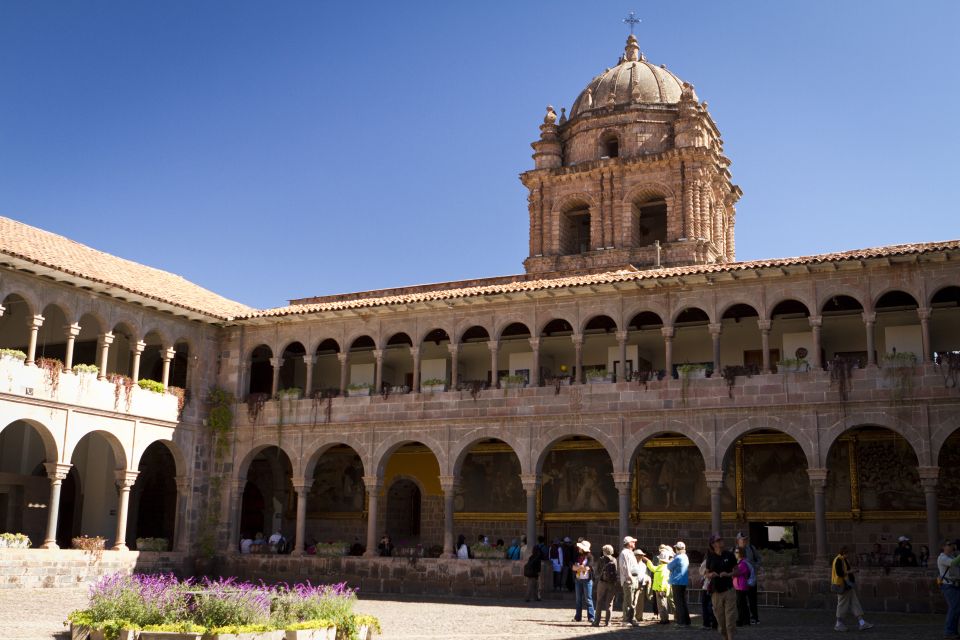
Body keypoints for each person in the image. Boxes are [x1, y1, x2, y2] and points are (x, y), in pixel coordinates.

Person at [705, 533, 739, 640]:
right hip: (716, 592)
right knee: (721, 621)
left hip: (729, 590)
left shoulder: (730, 555)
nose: (721, 541)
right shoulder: (710, 557)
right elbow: (706, 574)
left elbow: (737, 571)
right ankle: (725, 637)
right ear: (713, 544)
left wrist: (728, 574)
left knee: (730, 619)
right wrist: (711, 574)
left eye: (721, 539)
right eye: (718, 540)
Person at [831, 545, 874, 632]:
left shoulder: (843, 559)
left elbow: (846, 571)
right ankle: (838, 624)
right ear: (844, 552)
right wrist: (851, 571)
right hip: (842, 586)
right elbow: (840, 573)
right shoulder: (838, 560)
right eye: (848, 553)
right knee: (842, 604)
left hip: (848, 585)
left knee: (855, 603)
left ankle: (862, 623)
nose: (849, 555)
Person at [735, 531, 761, 624]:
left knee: (752, 599)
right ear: (738, 540)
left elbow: (758, 559)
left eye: (746, 539)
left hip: (751, 578)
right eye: (743, 539)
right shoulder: (734, 550)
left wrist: (755, 567)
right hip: (739, 579)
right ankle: (743, 618)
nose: (745, 541)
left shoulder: (751, 548)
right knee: (740, 600)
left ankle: (754, 617)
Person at [937, 538, 960, 638]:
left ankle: (953, 631)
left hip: (955, 585)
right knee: (954, 608)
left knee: (957, 609)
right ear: (943, 547)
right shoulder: (942, 558)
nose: (951, 546)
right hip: (948, 586)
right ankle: (949, 632)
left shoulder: (951, 556)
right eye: (949, 544)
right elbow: (953, 563)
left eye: (952, 544)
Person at [617, 536, 642, 627]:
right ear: (628, 543)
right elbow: (624, 566)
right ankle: (626, 620)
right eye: (633, 542)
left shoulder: (630, 552)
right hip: (629, 579)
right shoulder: (624, 553)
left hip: (634, 579)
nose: (634, 543)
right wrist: (629, 577)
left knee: (633, 601)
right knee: (628, 600)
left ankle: (632, 618)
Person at [592, 544, 619, 627]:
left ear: (605, 551)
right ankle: (608, 622)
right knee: (609, 603)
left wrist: (598, 576)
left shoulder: (601, 559)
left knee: (599, 602)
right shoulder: (614, 560)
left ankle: (596, 621)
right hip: (612, 583)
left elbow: (596, 572)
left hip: (602, 583)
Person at [572, 540, 596, 623]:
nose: (579, 548)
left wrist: (579, 567)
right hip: (578, 579)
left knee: (588, 599)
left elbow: (587, 568)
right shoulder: (577, 556)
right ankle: (578, 617)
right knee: (578, 599)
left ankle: (591, 617)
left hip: (587, 580)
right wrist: (581, 567)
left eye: (580, 547)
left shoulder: (590, 557)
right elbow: (573, 568)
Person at [667, 540, 690, 626]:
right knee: (683, 602)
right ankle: (687, 621)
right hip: (683, 582)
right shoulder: (685, 556)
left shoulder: (678, 558)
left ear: (677, 549)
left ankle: (681, 622)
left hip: (677, 582)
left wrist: (672, 558)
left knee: (678, 602)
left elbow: (669, 566)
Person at [733, 548, 753, 626]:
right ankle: (745, 620)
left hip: (741, 586)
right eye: (735, 552)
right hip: (738, 586)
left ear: (741, 553)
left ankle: (741, 620)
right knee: (741, 603)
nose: (735, 553)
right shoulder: (739, 563)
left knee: (741, 604)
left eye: (737, 552)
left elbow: (736, 573)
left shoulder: (743, 563)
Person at [652, 548, 672, 624]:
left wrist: (661, 589)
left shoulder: (663, 567)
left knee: (662, 605)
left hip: (661, 589)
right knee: (664, 604)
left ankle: (664, 620)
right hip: (663, 589)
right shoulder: (666, 567)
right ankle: (665, 619)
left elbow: (663, 579)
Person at [699, 556, 717, 630]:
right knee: (714, 606)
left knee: (707, 606)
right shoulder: (722, 559)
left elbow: (701, 571)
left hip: (708, 586)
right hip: (716, 586)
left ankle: (707, 623)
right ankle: (714, 623)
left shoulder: (708, 560)